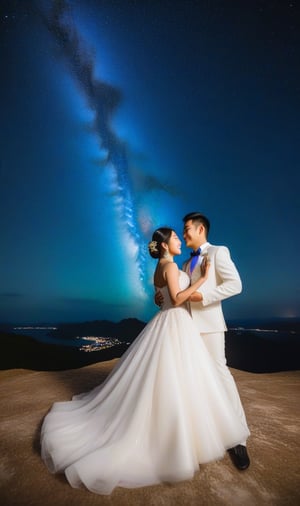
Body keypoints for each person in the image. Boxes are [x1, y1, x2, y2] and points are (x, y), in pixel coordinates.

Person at [40, 227, 250, 495]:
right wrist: (204, 279)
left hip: (168, 322)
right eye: (174, 237)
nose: (178, 240)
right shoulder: (172, 267)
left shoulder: (162, 266)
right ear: (163, 246)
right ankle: (178, 437)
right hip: (176, 322)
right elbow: (175, 300)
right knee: (180, 377)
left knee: (169, 377)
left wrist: (160, 295)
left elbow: (160, 296)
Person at [155, 212, 250, 470]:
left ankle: (238, 439)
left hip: (208, 327)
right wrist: (162, 296)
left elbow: (236, 285)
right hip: (184, 328)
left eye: (186, 230)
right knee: (192, 380)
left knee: (220, 374)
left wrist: (204, 298)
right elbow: (178, 293)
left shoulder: (219, 252)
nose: (183, 234)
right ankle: (203, 433)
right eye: (181, 231)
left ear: (200, 230)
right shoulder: (184, 264)